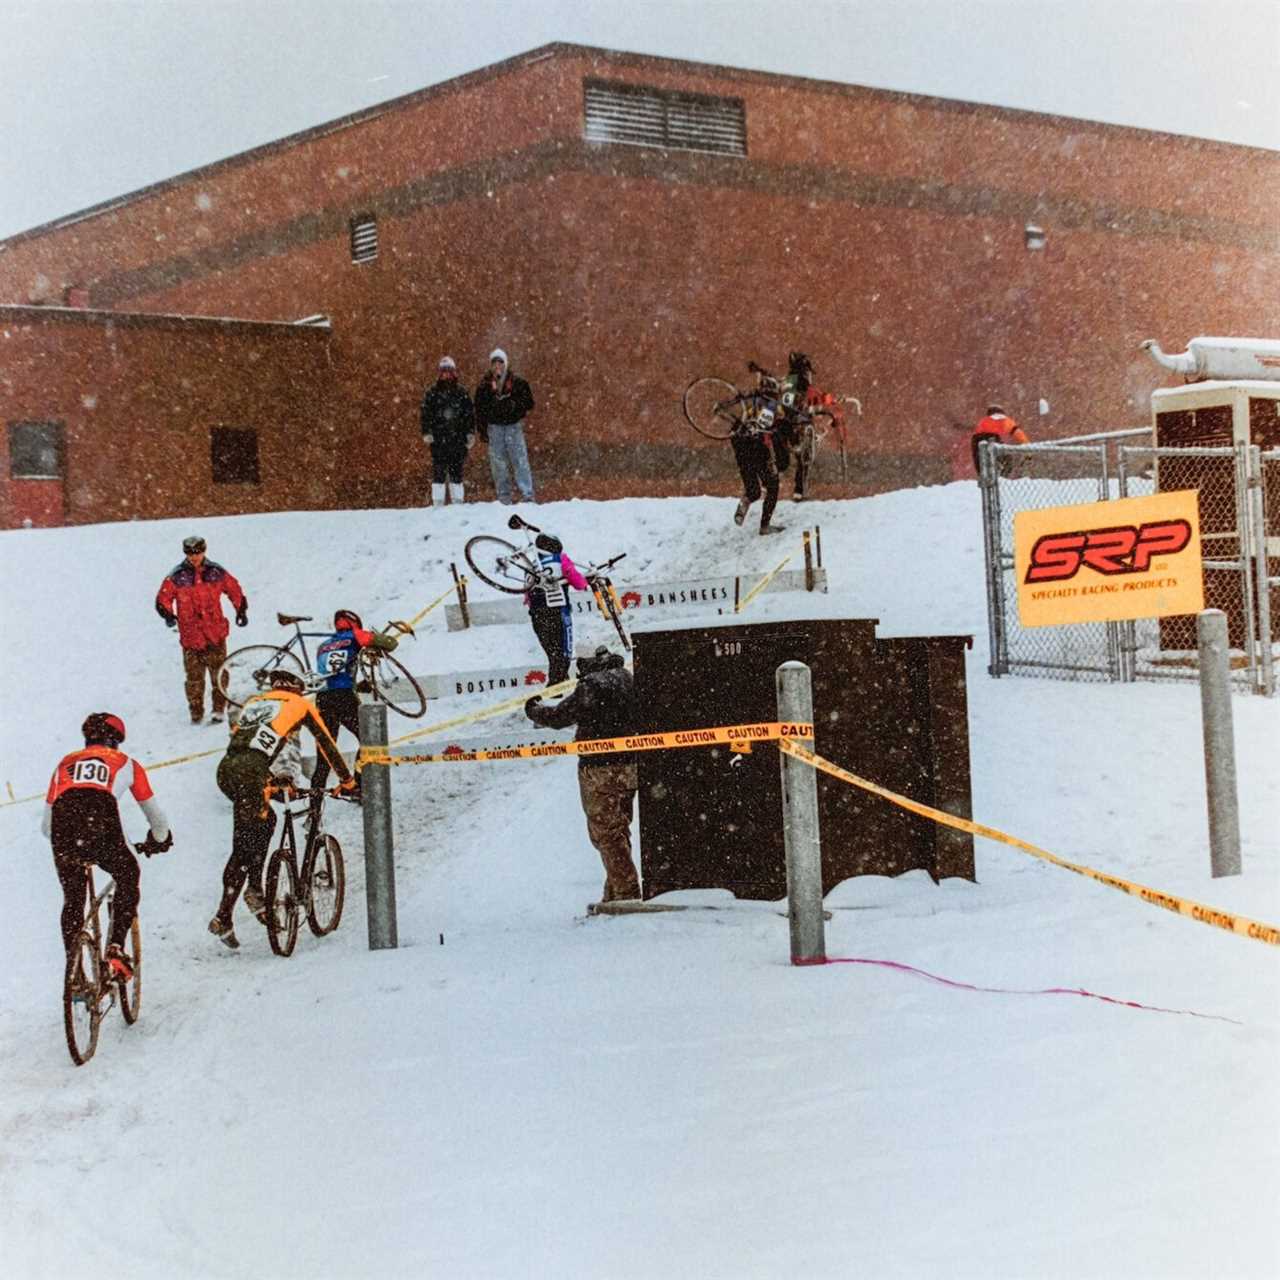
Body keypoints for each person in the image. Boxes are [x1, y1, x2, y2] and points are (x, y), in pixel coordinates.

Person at [209, 668, 355, 948]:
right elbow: (327, 744)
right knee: (251, 838)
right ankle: (245, 897)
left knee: (254, 831)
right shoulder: (300, 704)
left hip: (228, 770)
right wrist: (347, 781)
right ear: (298, 690)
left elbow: (253, 743)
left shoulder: (255, 703)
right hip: (253, 771)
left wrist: (273, 780)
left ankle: (237, 904)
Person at [44, 713, 173, 982]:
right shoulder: (126, 763)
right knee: (127, 875)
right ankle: (115, 948)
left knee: (73, 900)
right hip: (99, 813)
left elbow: (46, 826)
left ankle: (75, 974)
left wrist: (72, 846)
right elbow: (156, 818)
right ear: (116, 741)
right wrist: (159, 839)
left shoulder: (65, 763)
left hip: (63, 822)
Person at [525, 646, 640, 904]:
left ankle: (626, 893)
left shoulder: (591, 685)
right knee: (619, 829)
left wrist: (533, 709)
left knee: (606, 833)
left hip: (600, 769)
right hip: (630, 765)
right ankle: (614, 892)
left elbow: (559, 717)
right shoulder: (627, 677)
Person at [155, 534, 248, 724]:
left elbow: (234, 589)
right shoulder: (177, 576)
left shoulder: (216, 572)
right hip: (191, 636)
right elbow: (163, 598)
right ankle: (196, 711)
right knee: (194, 679)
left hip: (215, 632)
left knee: (219, 673)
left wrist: (240, 609)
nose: (194, 557)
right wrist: (168, 614)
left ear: (204, 551)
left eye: (197, 553)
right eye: (189, 554)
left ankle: (218, 709)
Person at [311, 609, 401, 800]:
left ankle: (313, 811)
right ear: (354, 624)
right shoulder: (355, 635)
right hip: (344, 697)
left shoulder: (323, 646)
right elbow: (391, 643)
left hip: (323, 699)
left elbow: (334, 675)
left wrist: (358, 686)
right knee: (369, 739)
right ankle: (359, 786)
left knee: (325, 756)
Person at [524, 530, 591, 685]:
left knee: (552, 653)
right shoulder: (560, 559)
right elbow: (577, 581)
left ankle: (558, 683)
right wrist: (584, 582)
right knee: (563, 653)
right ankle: (556, 687)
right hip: (557, 611)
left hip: (537, 615)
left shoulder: (533, 565)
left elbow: (526, 594)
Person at [474, 348, 536, 505]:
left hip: (513, 427)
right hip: (494, 429)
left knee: (520, 461)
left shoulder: (517, 383)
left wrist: (514, 406)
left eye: (500, 362)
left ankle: (527, 495)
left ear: (506, 364)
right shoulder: (484, 386)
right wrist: (482, 430)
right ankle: (504, 497)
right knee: (498, 464)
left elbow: (529, 403)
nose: (497, 366)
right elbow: (479, 410)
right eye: (494, 363)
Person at [420, 355, 476, 507]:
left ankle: (458, 502)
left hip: (457, 439)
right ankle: (438, 502)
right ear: (440, 373)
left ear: (454, 372)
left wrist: (470, 433)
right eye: (443, 371)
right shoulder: (431, 393)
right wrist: (426, 432)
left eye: (449, 371)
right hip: (438, 439)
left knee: (456, 471)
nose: (446, 374)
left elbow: (469, 414)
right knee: (438, 471)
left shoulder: (462, 393)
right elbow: (425, 414)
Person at [970, 404, 1029, 475]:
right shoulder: (1005, 419)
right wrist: (1027, 448)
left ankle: (983, 477)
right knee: (1006, 459)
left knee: (981, 463)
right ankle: (1002, 478)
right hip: (992, 439)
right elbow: (1019, 434)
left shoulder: (983, 421)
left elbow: (977, 433)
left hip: (976, 440)